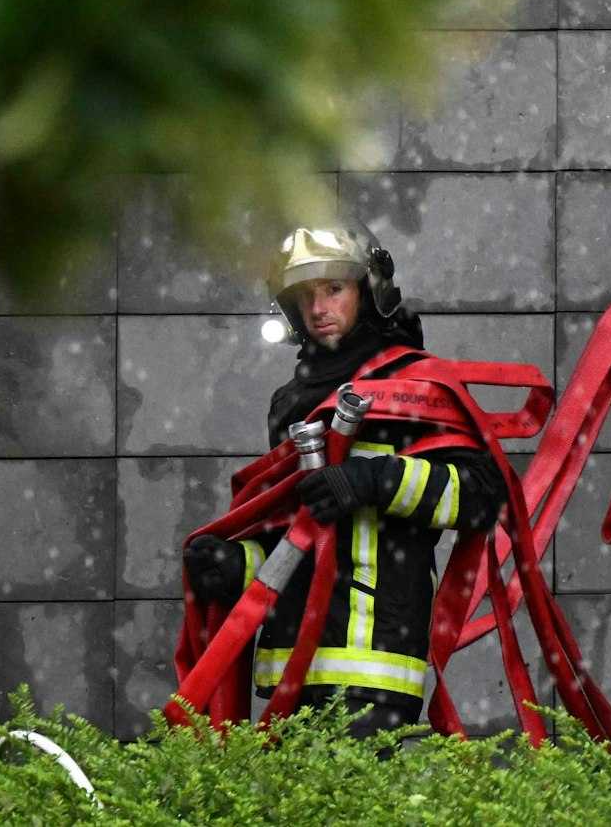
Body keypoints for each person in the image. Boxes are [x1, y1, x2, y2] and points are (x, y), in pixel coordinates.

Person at [180, 223, 505, 737]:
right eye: (304, 296)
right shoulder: (290, 401)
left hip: (374, 661)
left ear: (369, 292)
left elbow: (483, 495)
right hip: (293, 662)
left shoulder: (414, 386)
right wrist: (235, 566)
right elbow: (297, 527)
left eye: (334, 289)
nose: (318, 308)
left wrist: (374, 480)